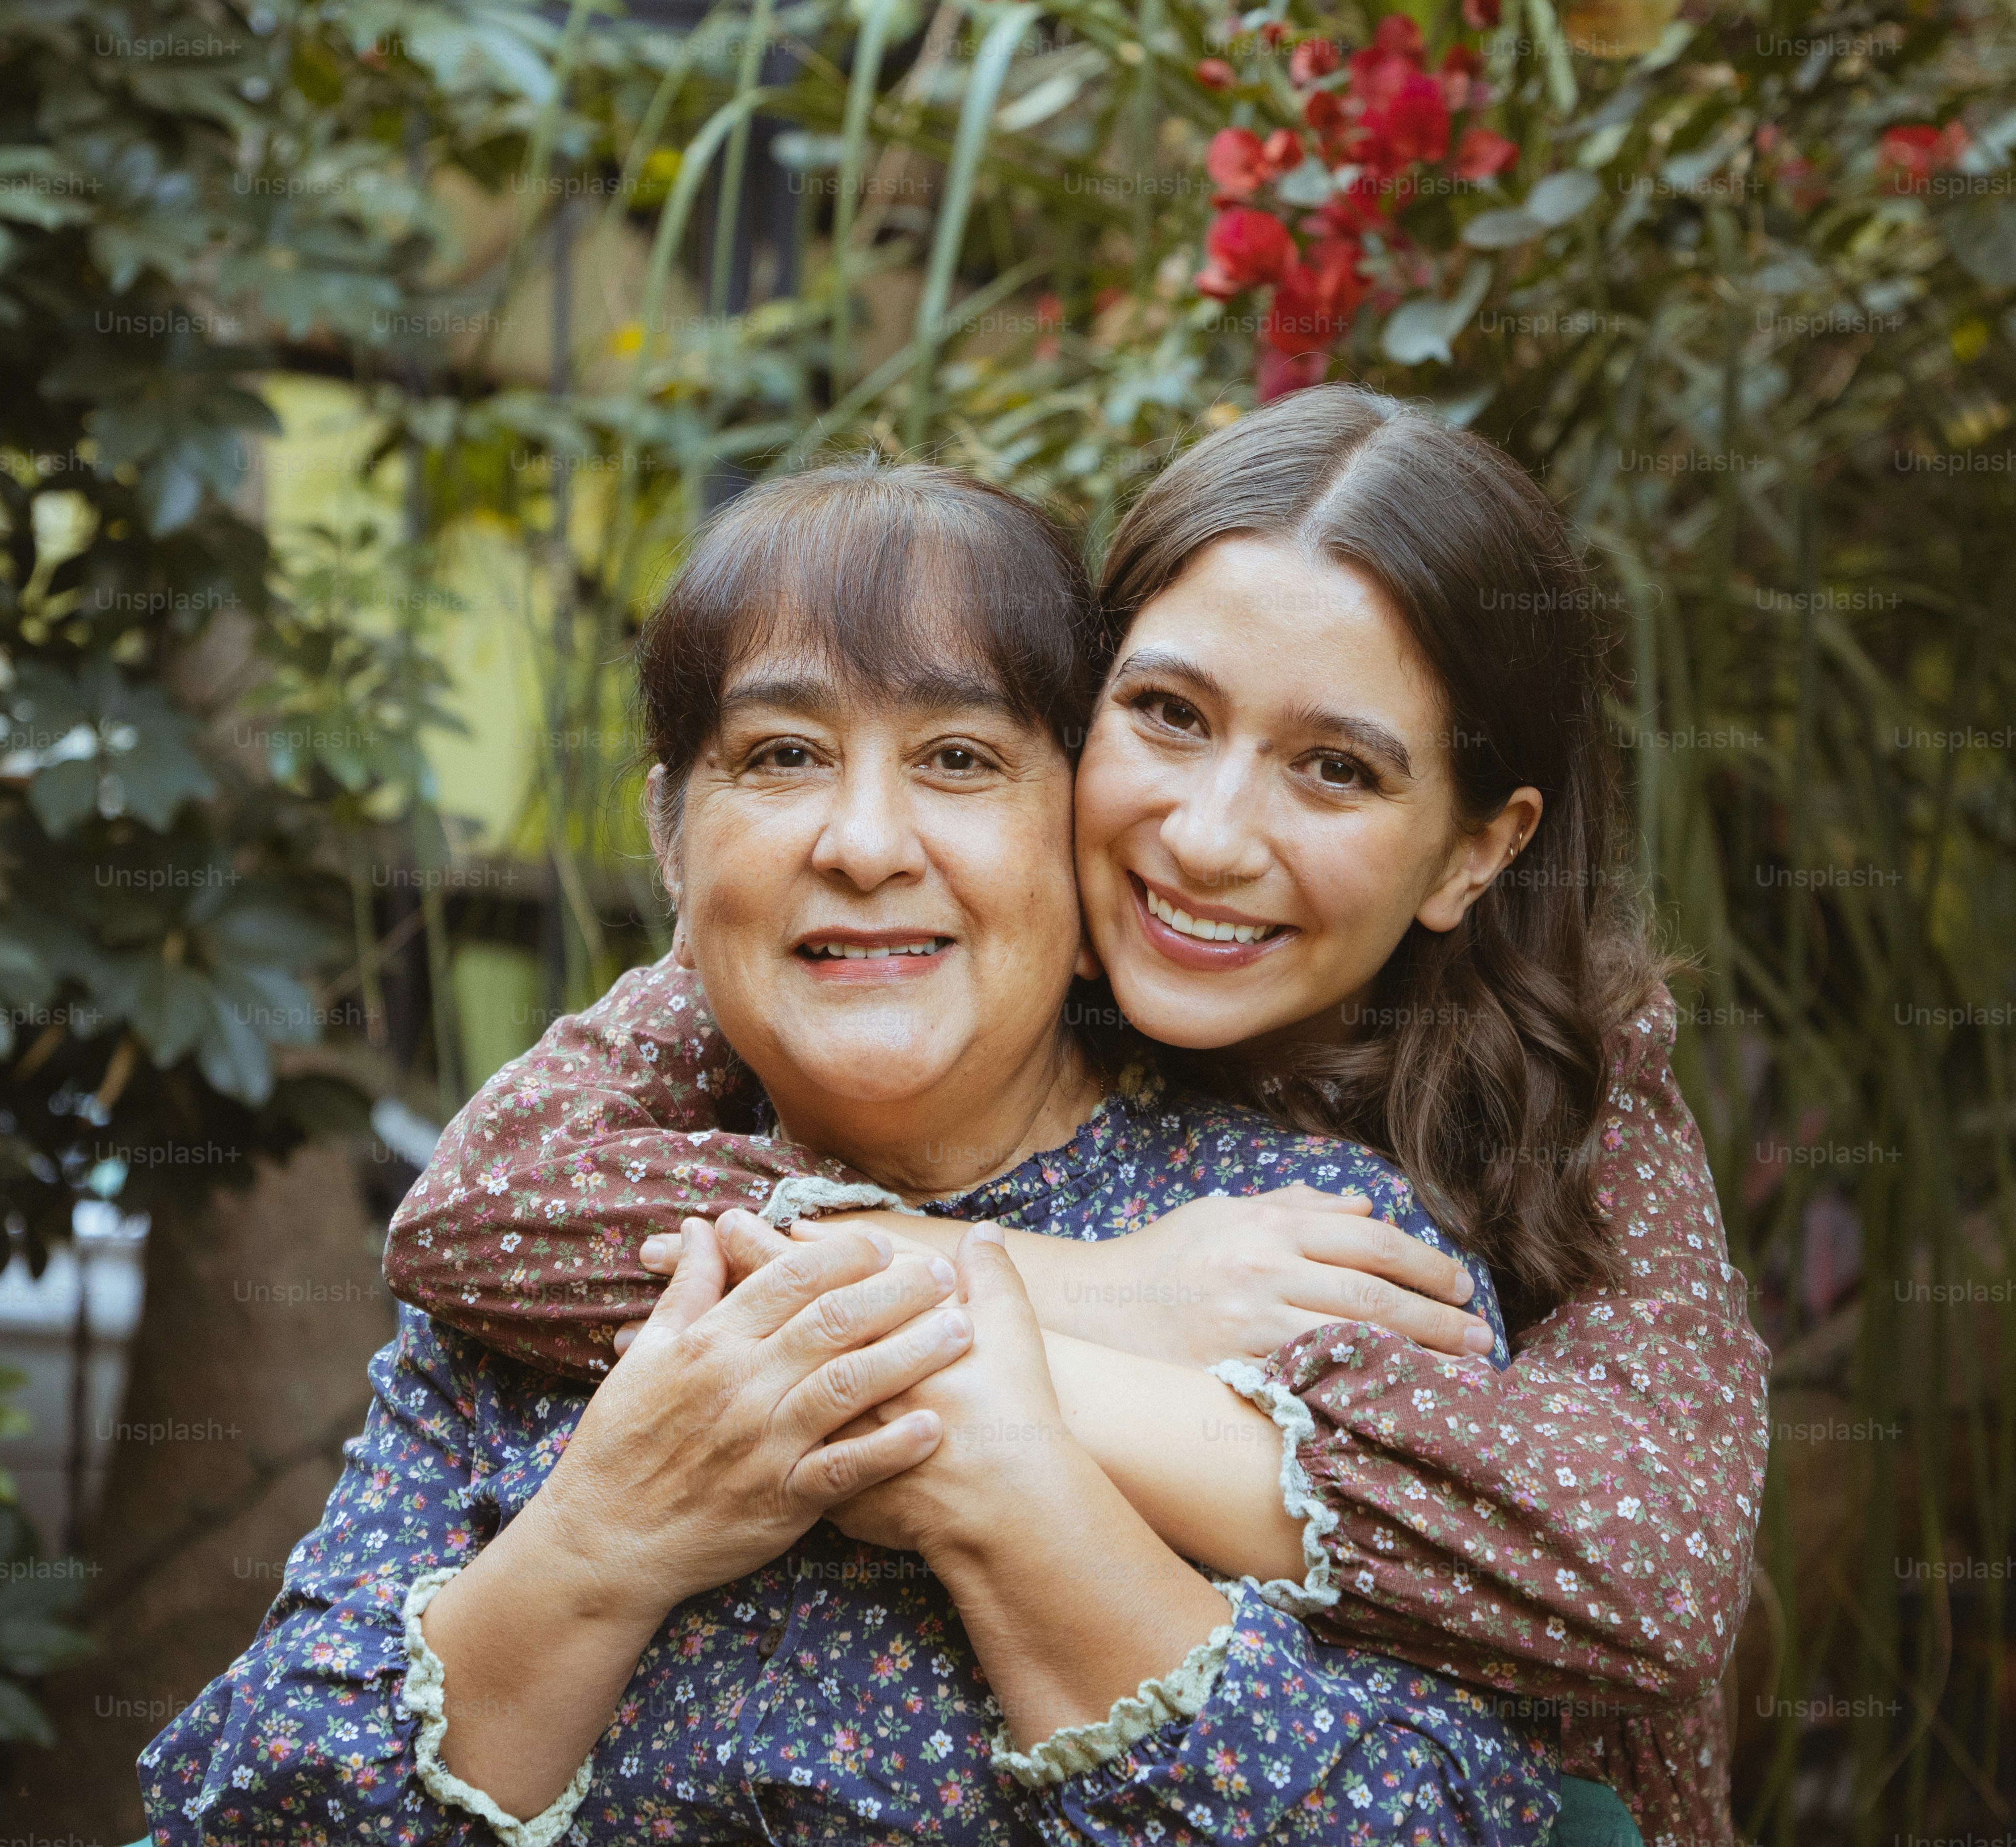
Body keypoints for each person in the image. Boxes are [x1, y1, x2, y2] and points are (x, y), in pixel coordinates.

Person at [385, 385, 1768, 1835]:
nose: (1209, 835)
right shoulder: (882, 952)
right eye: (1167, 717)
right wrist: (1093, 1291)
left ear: (1474, 852)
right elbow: (483, 1209)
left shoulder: (1574, 1083)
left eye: (1336, 769)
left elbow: (1641, 1583)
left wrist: (997, 1406)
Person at [141, 458, 1561, 1846]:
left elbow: (1454, 1817)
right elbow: (251, 1812)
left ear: (1075, 829)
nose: (866, 842)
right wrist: (602, 1539)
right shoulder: (569, 1255)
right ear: (671, 849)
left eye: (957, 760)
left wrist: (1022, 1507)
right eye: (781, 757)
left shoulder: (1307, 1250)